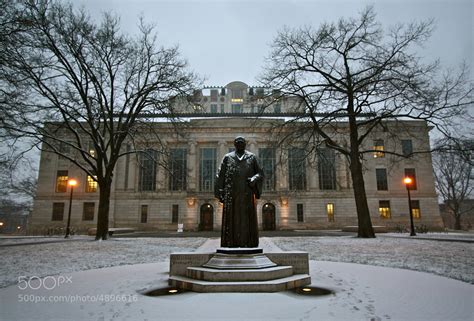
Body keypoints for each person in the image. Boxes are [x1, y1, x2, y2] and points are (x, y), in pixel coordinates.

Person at [215, 136, 264, 248]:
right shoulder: (228, 157)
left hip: (247, 193)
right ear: (234, 144)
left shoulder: (252, 157)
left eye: (242, 142)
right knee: (232, 219)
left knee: (247, 219)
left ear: (245, 144)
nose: (240, 144)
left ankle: (249, 242)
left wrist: (254, 179)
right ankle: (231, 242)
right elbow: (220, 175)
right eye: (238, 142)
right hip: (231, 193)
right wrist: (220, 191)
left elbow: (260, 173)